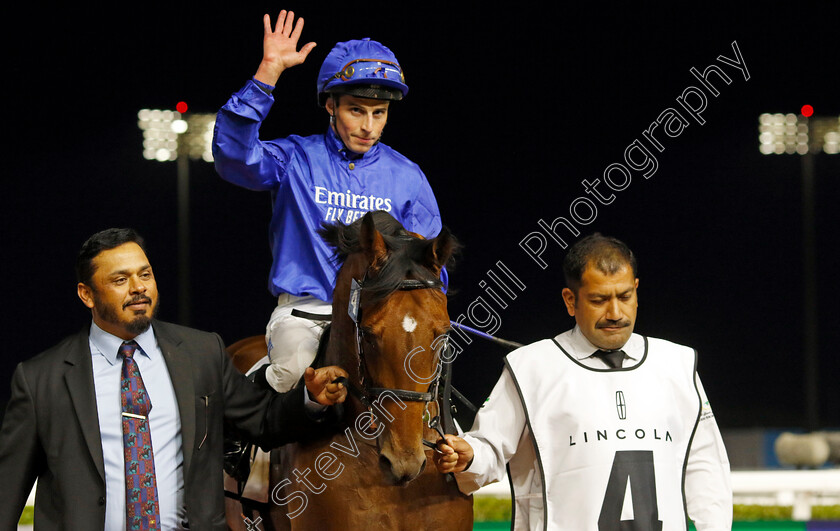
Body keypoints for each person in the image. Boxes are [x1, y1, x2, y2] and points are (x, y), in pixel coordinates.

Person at [0, 228, 348, 529]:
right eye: (120, 280)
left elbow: (264, 420)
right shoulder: (39, 380)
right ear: (86, 294)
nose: (138, 288)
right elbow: (7, 492)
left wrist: (310, 398)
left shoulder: (202, 352)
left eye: (145, 275)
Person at [212, 10, 445, 393]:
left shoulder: (409, 177)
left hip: (380, 317)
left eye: (379, 113)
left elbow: (429, 264)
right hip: (306, 313)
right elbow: (233, 158)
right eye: (356, 110)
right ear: (330, 106)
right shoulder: (295, 158)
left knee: (424, 389)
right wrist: (268, 72)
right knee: (291, 374)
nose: (369, 126)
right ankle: (246, 435)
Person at [433, 234, 732, 530]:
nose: (615, 313)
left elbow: (706, 471)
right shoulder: (529, 368)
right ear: (570, 300)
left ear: (637, 291)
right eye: (599, 300)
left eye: (625, 296)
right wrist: (469, 455)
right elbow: (489, 448)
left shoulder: (678, 364)